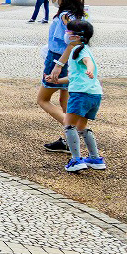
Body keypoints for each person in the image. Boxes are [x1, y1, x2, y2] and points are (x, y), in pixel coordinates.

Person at [43, 20, 104, 172]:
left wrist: (89, 69)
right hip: (94, 94)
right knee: (82, 126)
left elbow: (88, 62)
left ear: (77, 36)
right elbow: (74, 77)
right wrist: (55, 80)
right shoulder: (84, 49)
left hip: (80, 94)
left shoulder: (79, 50)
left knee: (69, 125)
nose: (66, 34)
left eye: (68, 32)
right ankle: (95, 158)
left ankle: (76, 160)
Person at [40, 0, 86, 152]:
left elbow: (72, 41)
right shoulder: (76, 14)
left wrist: (58, 65)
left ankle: (73, 132)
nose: (51, 0)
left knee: (43, 99)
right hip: (70, 60)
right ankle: (68, 140)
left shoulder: (64, 16)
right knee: (65, 101)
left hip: (58, 59)